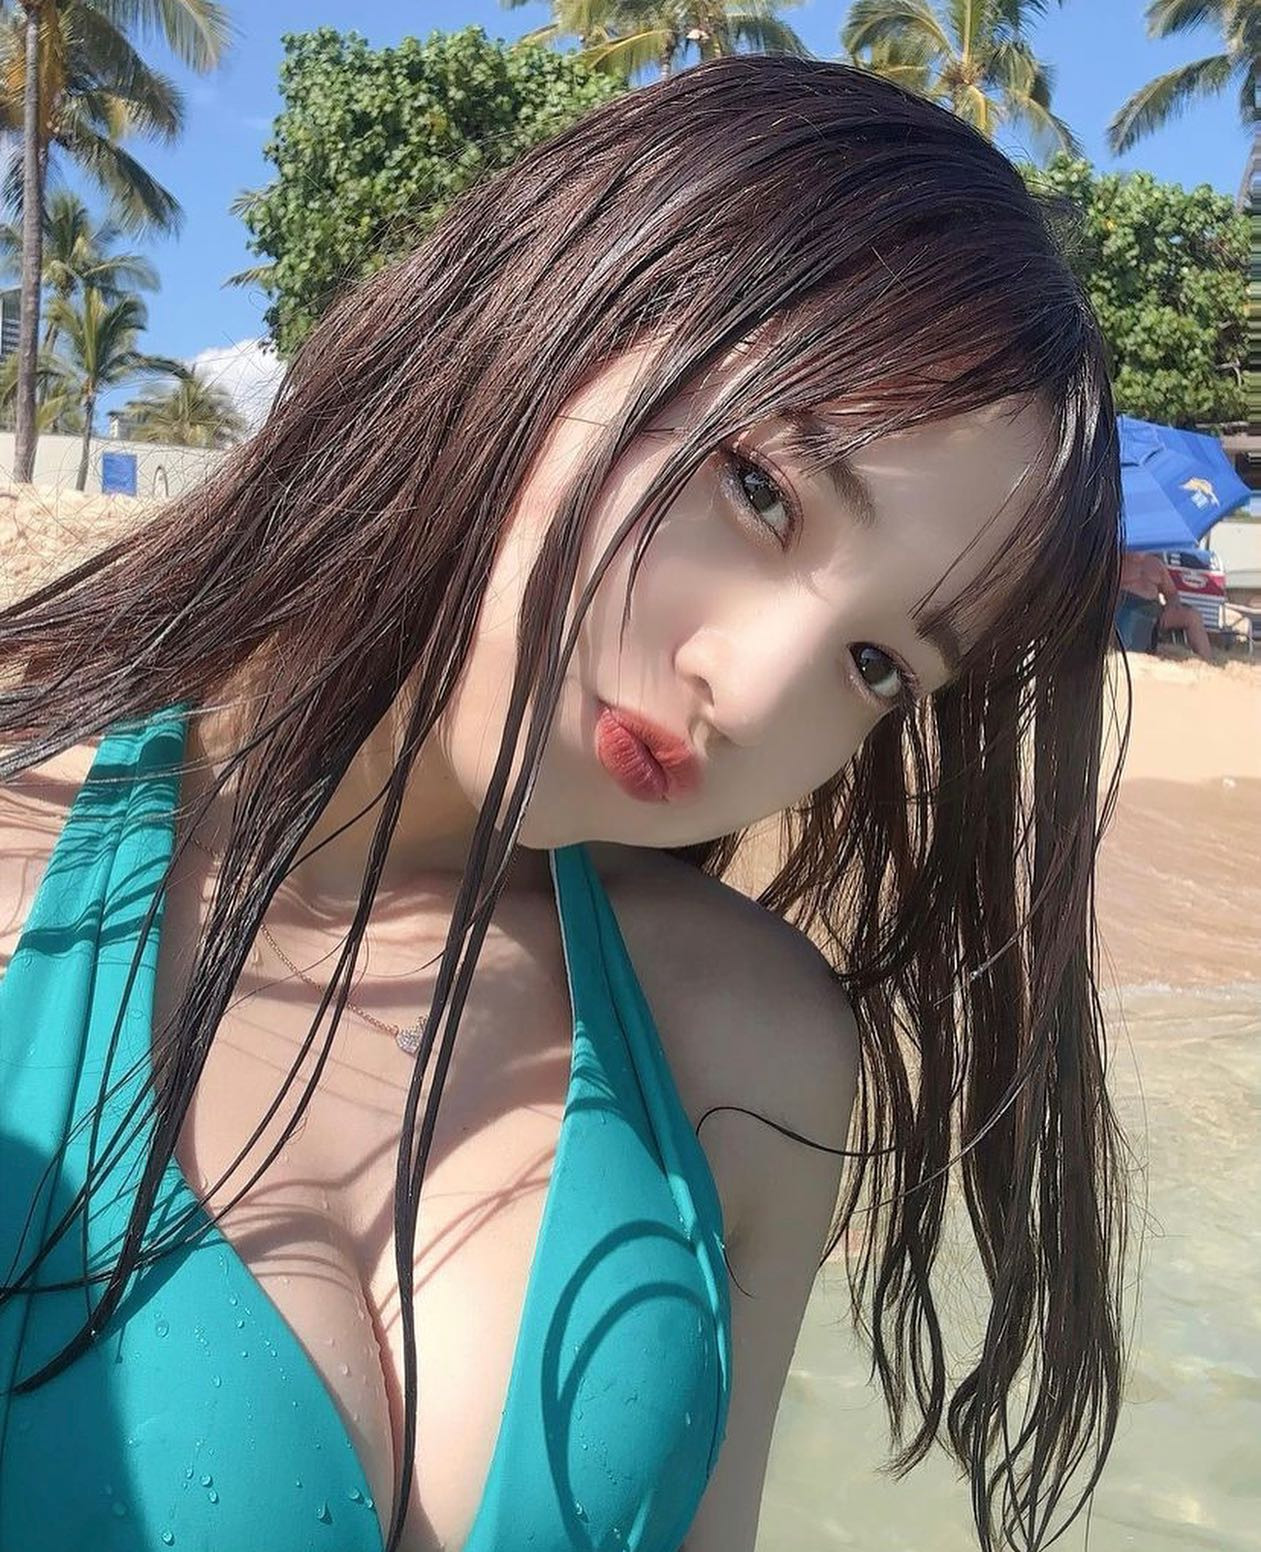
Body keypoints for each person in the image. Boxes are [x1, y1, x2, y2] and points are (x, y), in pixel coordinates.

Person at [0, 54, 1130, 1552]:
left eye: (875, 664)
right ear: (560, 294)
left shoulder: (749, 1051)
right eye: (761, 491)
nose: (752, 691)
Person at [1116, 549, 1214, 660]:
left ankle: (1206, 660)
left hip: (1155, 613)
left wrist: (1171, 607)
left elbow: (1172, 593)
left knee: (1193, 616)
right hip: (1126, 609)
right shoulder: (1117, 562)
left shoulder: (1156, 565)